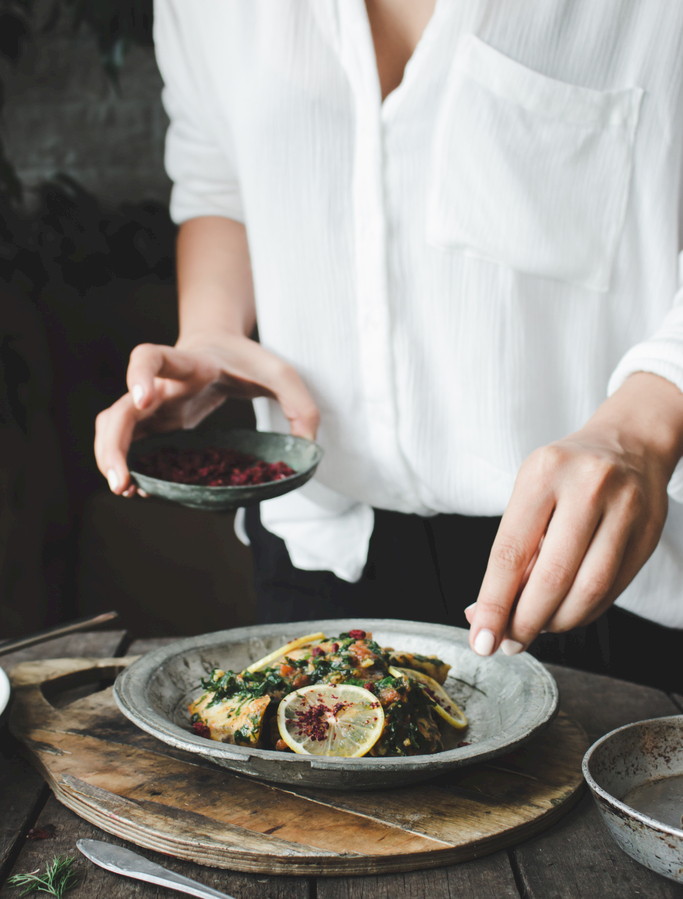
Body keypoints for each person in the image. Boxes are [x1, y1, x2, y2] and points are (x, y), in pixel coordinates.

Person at [95, 0, 683, 685]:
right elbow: (217, 181)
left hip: (614, 564)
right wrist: (211, 331)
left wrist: (646, 422)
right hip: (324, 549)